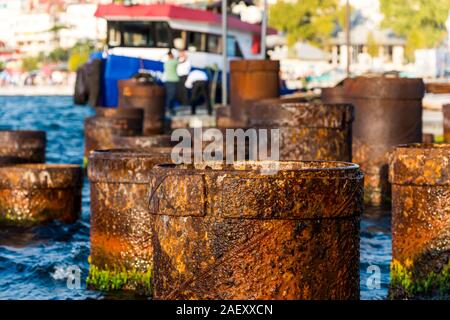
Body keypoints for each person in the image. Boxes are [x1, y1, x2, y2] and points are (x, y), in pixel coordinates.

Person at [163, 50, 179, 115]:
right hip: (173, 81)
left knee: (169, 95)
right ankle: (169, 109)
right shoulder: (174, 62)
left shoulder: (166, 63)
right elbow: (182, 60)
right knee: (172, 95)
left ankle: (168, 108)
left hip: (167, 81)